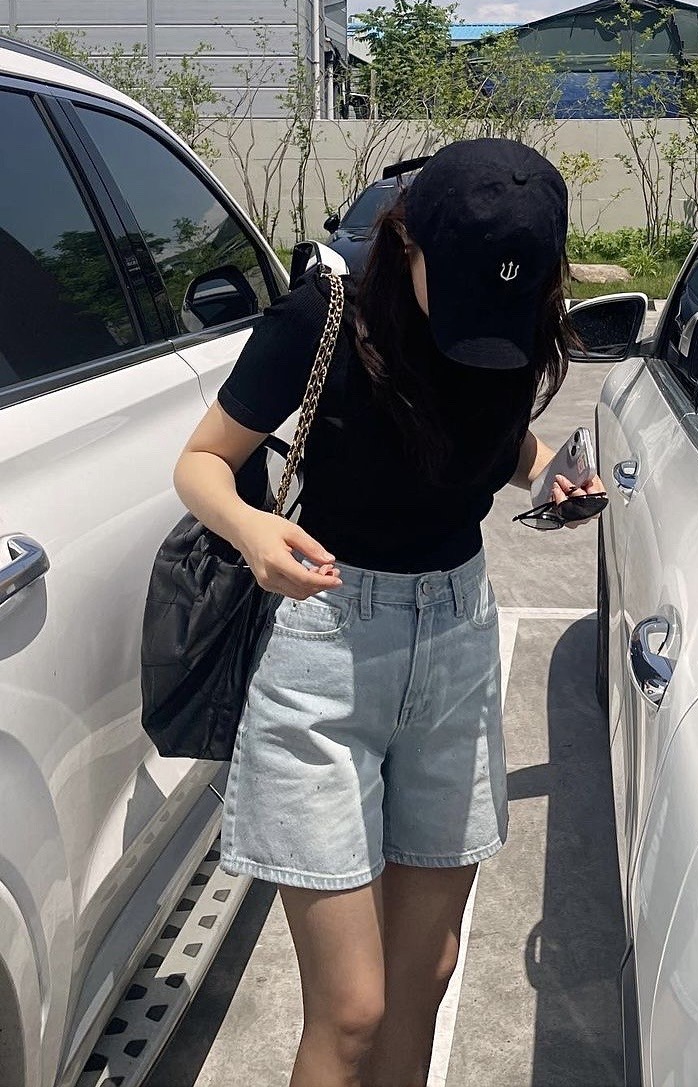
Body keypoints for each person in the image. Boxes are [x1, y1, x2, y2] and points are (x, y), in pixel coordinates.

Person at [173, 139, 605, 1087]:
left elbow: (494, 439)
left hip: (457, 643)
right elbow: (201, 463)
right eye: (462, 296)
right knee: (353, 1010)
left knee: (428, 976)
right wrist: (252, 529)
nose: (481, 327)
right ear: (406, 242)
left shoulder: (516, 321)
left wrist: (549, 473)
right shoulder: (319, 318)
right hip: (326, 649)